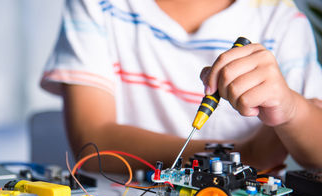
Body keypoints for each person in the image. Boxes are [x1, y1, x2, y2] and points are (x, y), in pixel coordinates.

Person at [41, 0, 322, 172]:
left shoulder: (282, 20)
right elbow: (93, 146)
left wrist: (292, 109)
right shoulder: (99, 4)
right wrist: (245, 155)